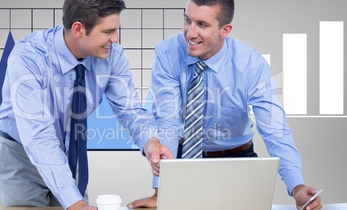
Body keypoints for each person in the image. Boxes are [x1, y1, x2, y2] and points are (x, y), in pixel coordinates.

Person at [128, 0, 322, 210]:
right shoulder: (167, 52)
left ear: (225, 30)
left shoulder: (251, 64)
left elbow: (275, 130)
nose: (191, 33)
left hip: (237, 158)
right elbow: (168, 120)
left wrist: (297, 187)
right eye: (187, 20)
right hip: (182, 158)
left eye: (202, 25)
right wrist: (161, 192)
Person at [0, 0, 173, 209]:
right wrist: (76, 204)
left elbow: (130, 109)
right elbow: (38, 136)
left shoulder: (112, 56)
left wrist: (150, 142)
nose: (115, 39)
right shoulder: (29, 57)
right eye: (108, 31)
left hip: (71, 147)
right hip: (22, 152)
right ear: (78, 29)